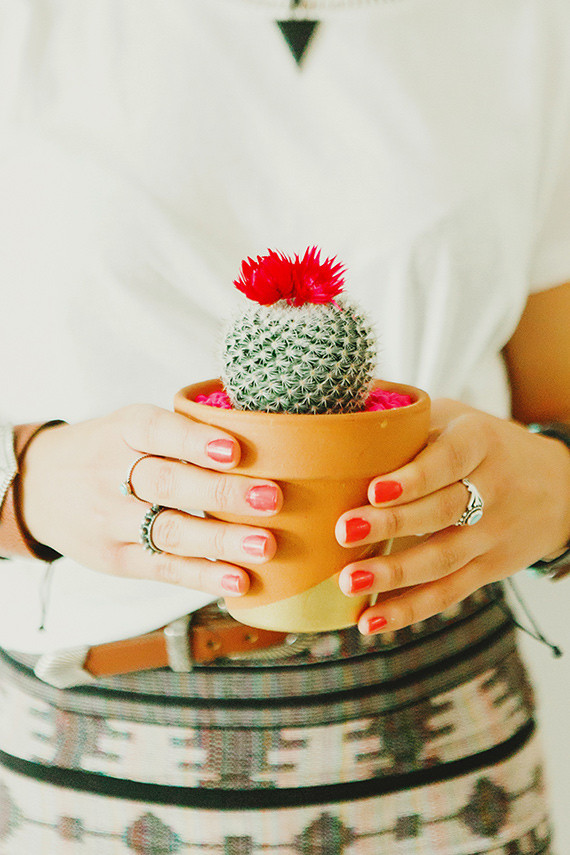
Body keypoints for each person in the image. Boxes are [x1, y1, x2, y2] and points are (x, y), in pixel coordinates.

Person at [0, 1, 569, 852]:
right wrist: (28, 485)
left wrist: (557, 490)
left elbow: (553, 407)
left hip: (445, 746)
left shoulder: (522, 24)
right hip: (91, 755)